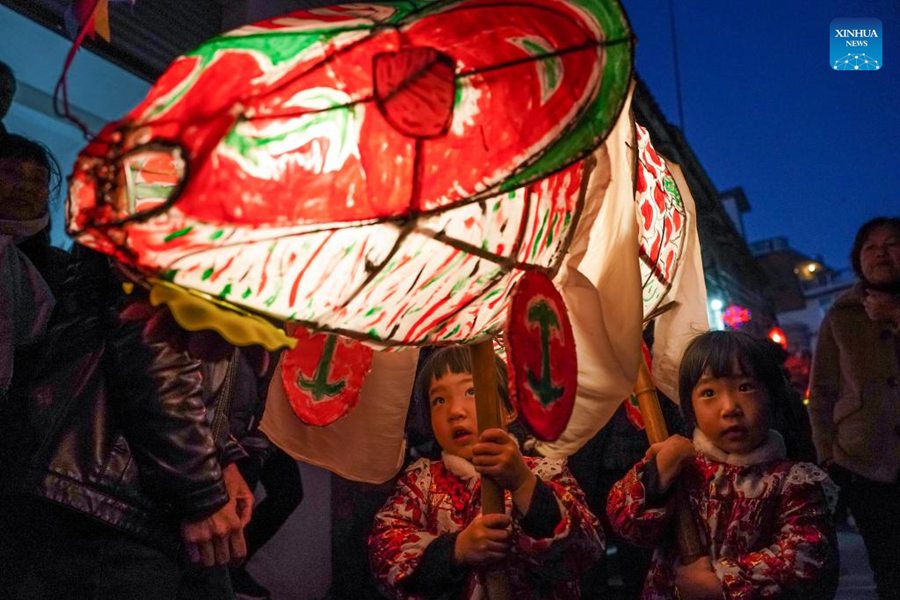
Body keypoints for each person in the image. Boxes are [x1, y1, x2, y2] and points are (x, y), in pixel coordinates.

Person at [0, 246, 249, 599]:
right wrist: (202, 492)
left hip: (146, 491)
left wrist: (225, 455)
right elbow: (154, 343)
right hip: (104, 499)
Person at [607, 331, 839, 600]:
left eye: (745, 387)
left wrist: (721, 583)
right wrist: (654, 475)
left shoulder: (793, 482)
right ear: (689, 409)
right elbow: (627, 524)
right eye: (708, 393)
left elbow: (808, 558)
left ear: (772, 396)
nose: (729, 407)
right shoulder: (683, 470)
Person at [369, 345, 603, 599]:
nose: (455, 411)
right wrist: (457, 550)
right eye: (439, 400)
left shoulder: (545, 471)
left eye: (471, 391)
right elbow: (385, 552)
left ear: (509, 408)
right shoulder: (419, 482)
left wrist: (523, 484)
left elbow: (586, 548)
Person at [808, 216, 900, 600]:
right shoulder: (841, 315)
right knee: (889, 567)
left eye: (892, 244)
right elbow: (823, 390)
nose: (881, 253)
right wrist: (829, 455)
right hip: (863, 462)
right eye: (870, 247)